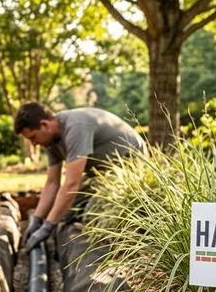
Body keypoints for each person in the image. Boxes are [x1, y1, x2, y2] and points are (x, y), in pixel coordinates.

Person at [14, 102, 144, 251]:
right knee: (67, 214)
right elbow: (52, 183)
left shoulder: (75, 128)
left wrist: (47, 227)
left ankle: (112, 251)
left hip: (129, 167)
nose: (34, 144)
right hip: (101, 172)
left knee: (91, 214)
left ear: (45, 125)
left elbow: (71, 184)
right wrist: (37, 220)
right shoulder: (51, 142)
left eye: (33, 137)